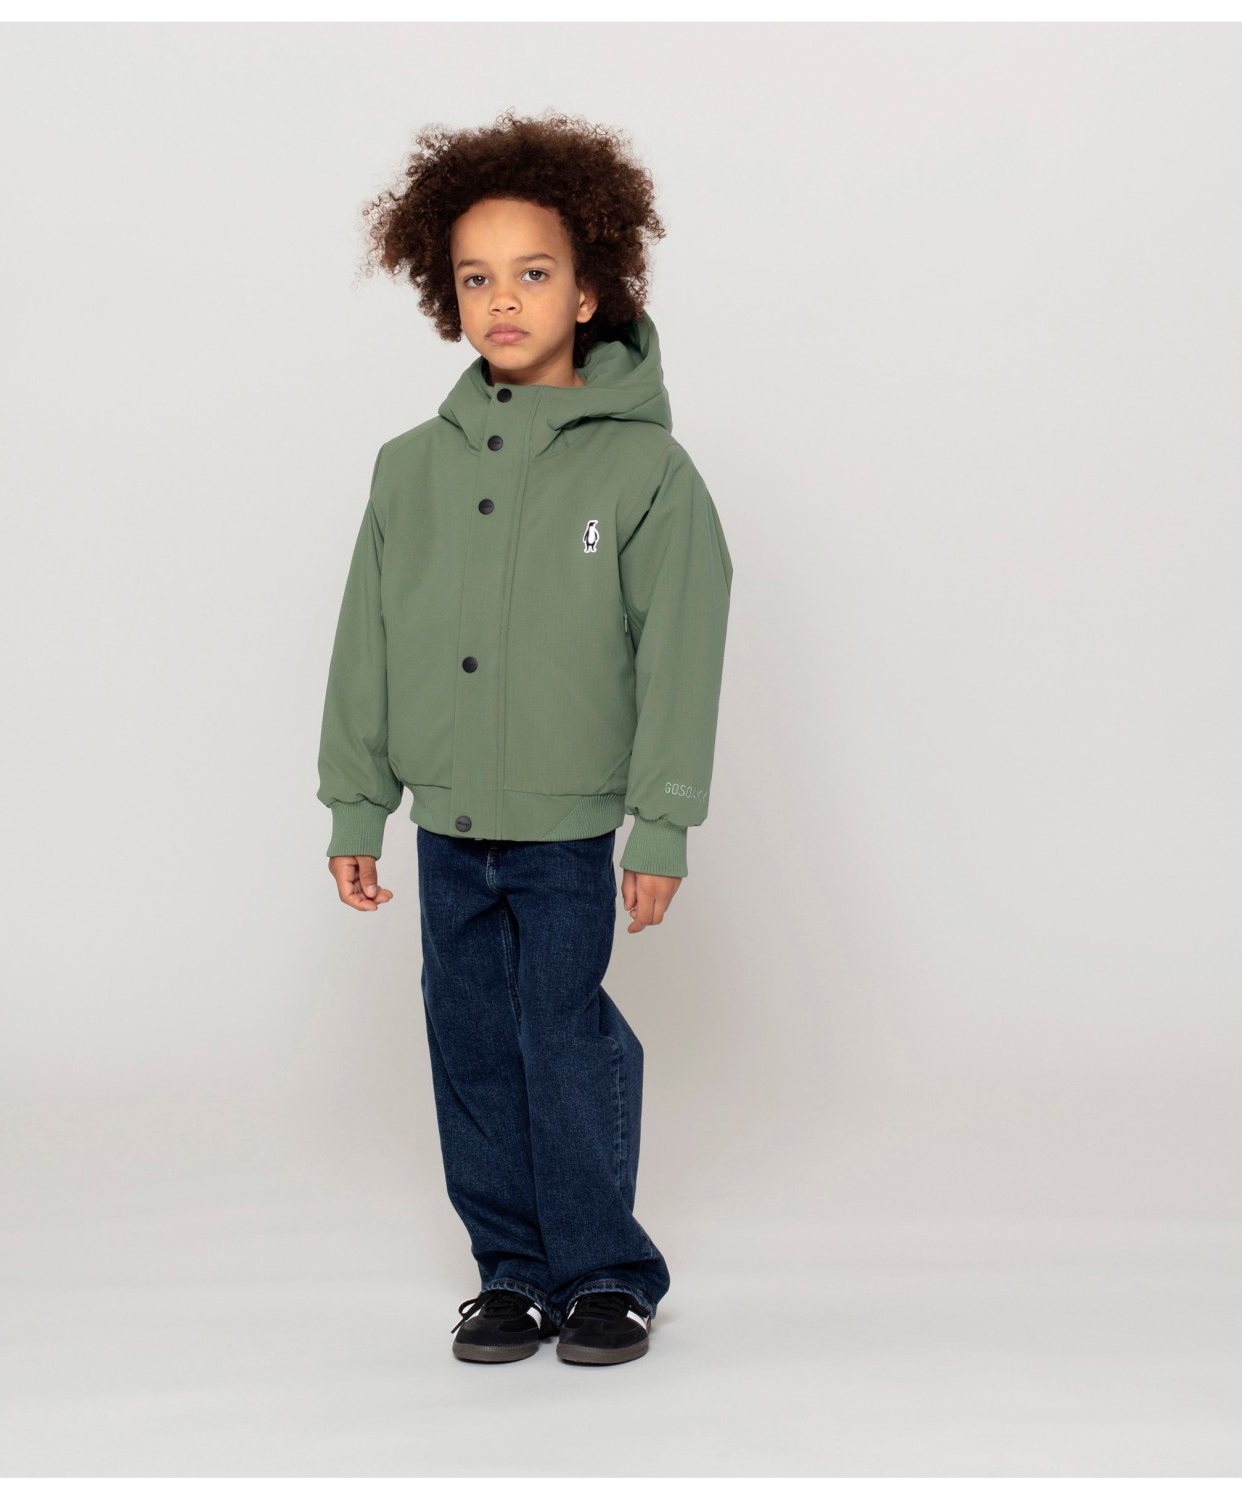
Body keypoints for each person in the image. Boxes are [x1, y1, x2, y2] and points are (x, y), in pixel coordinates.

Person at [315, 110, 733, 1366]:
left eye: (533, 272)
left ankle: (604, 1270)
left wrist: (661, 823)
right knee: (471, 1048)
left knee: (563, 1039)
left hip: (565, 831)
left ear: (590, 289)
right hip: (446, 827)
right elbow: (367, 638)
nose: (502, 299)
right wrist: (354, 803)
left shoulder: (647, 475)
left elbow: (681, 652)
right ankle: (509, 1269)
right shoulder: (407, 470)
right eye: (475, 278)